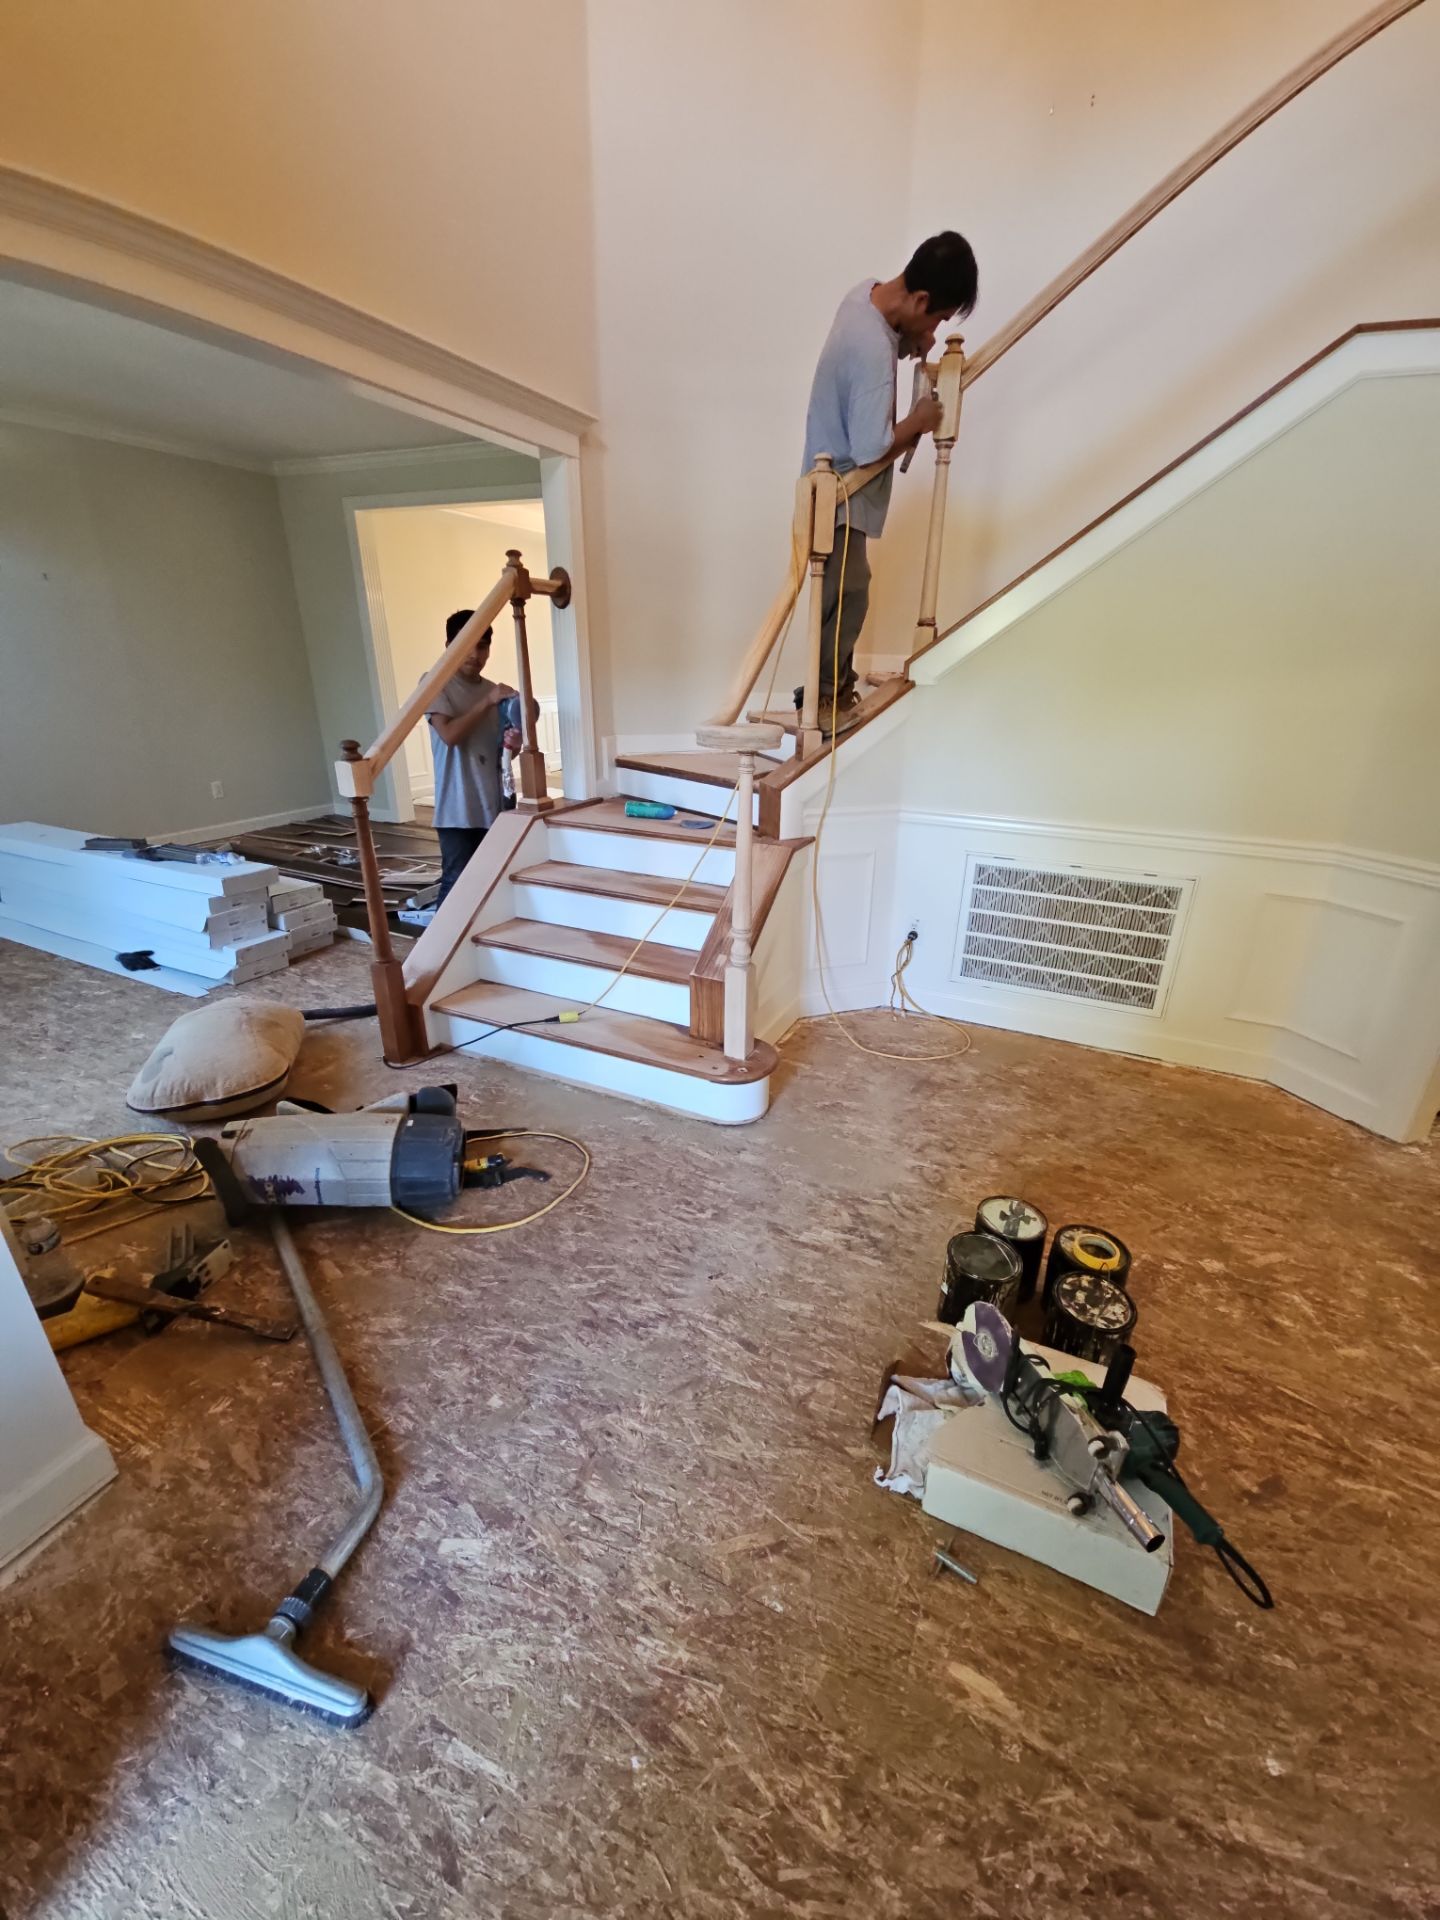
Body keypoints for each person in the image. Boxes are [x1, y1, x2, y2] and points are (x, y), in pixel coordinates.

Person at [798, 231, 979, 726]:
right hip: (839, 490)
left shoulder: (863, 296)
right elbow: (871, 447)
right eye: (938, 318)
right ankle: (825, 696)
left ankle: (824, 688)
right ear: (920, 299)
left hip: (824, 489)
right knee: (847, 593)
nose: (936, 333)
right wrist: (921, 419)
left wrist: (910, 339)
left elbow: (877, 353)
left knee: (843, 591)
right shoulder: (873, 347)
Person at [425, 611, 522, 906]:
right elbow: (450, 735)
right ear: (449, 645)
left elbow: (501, 753)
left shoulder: (494, 693)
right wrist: (488, 701)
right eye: (467, 645)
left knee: (491, 882)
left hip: (493, 804)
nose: (475, 654)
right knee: (456, 882)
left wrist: (514, 745)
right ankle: (439, 951)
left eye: (482, 646)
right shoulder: (434, 683)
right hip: (456, 806)